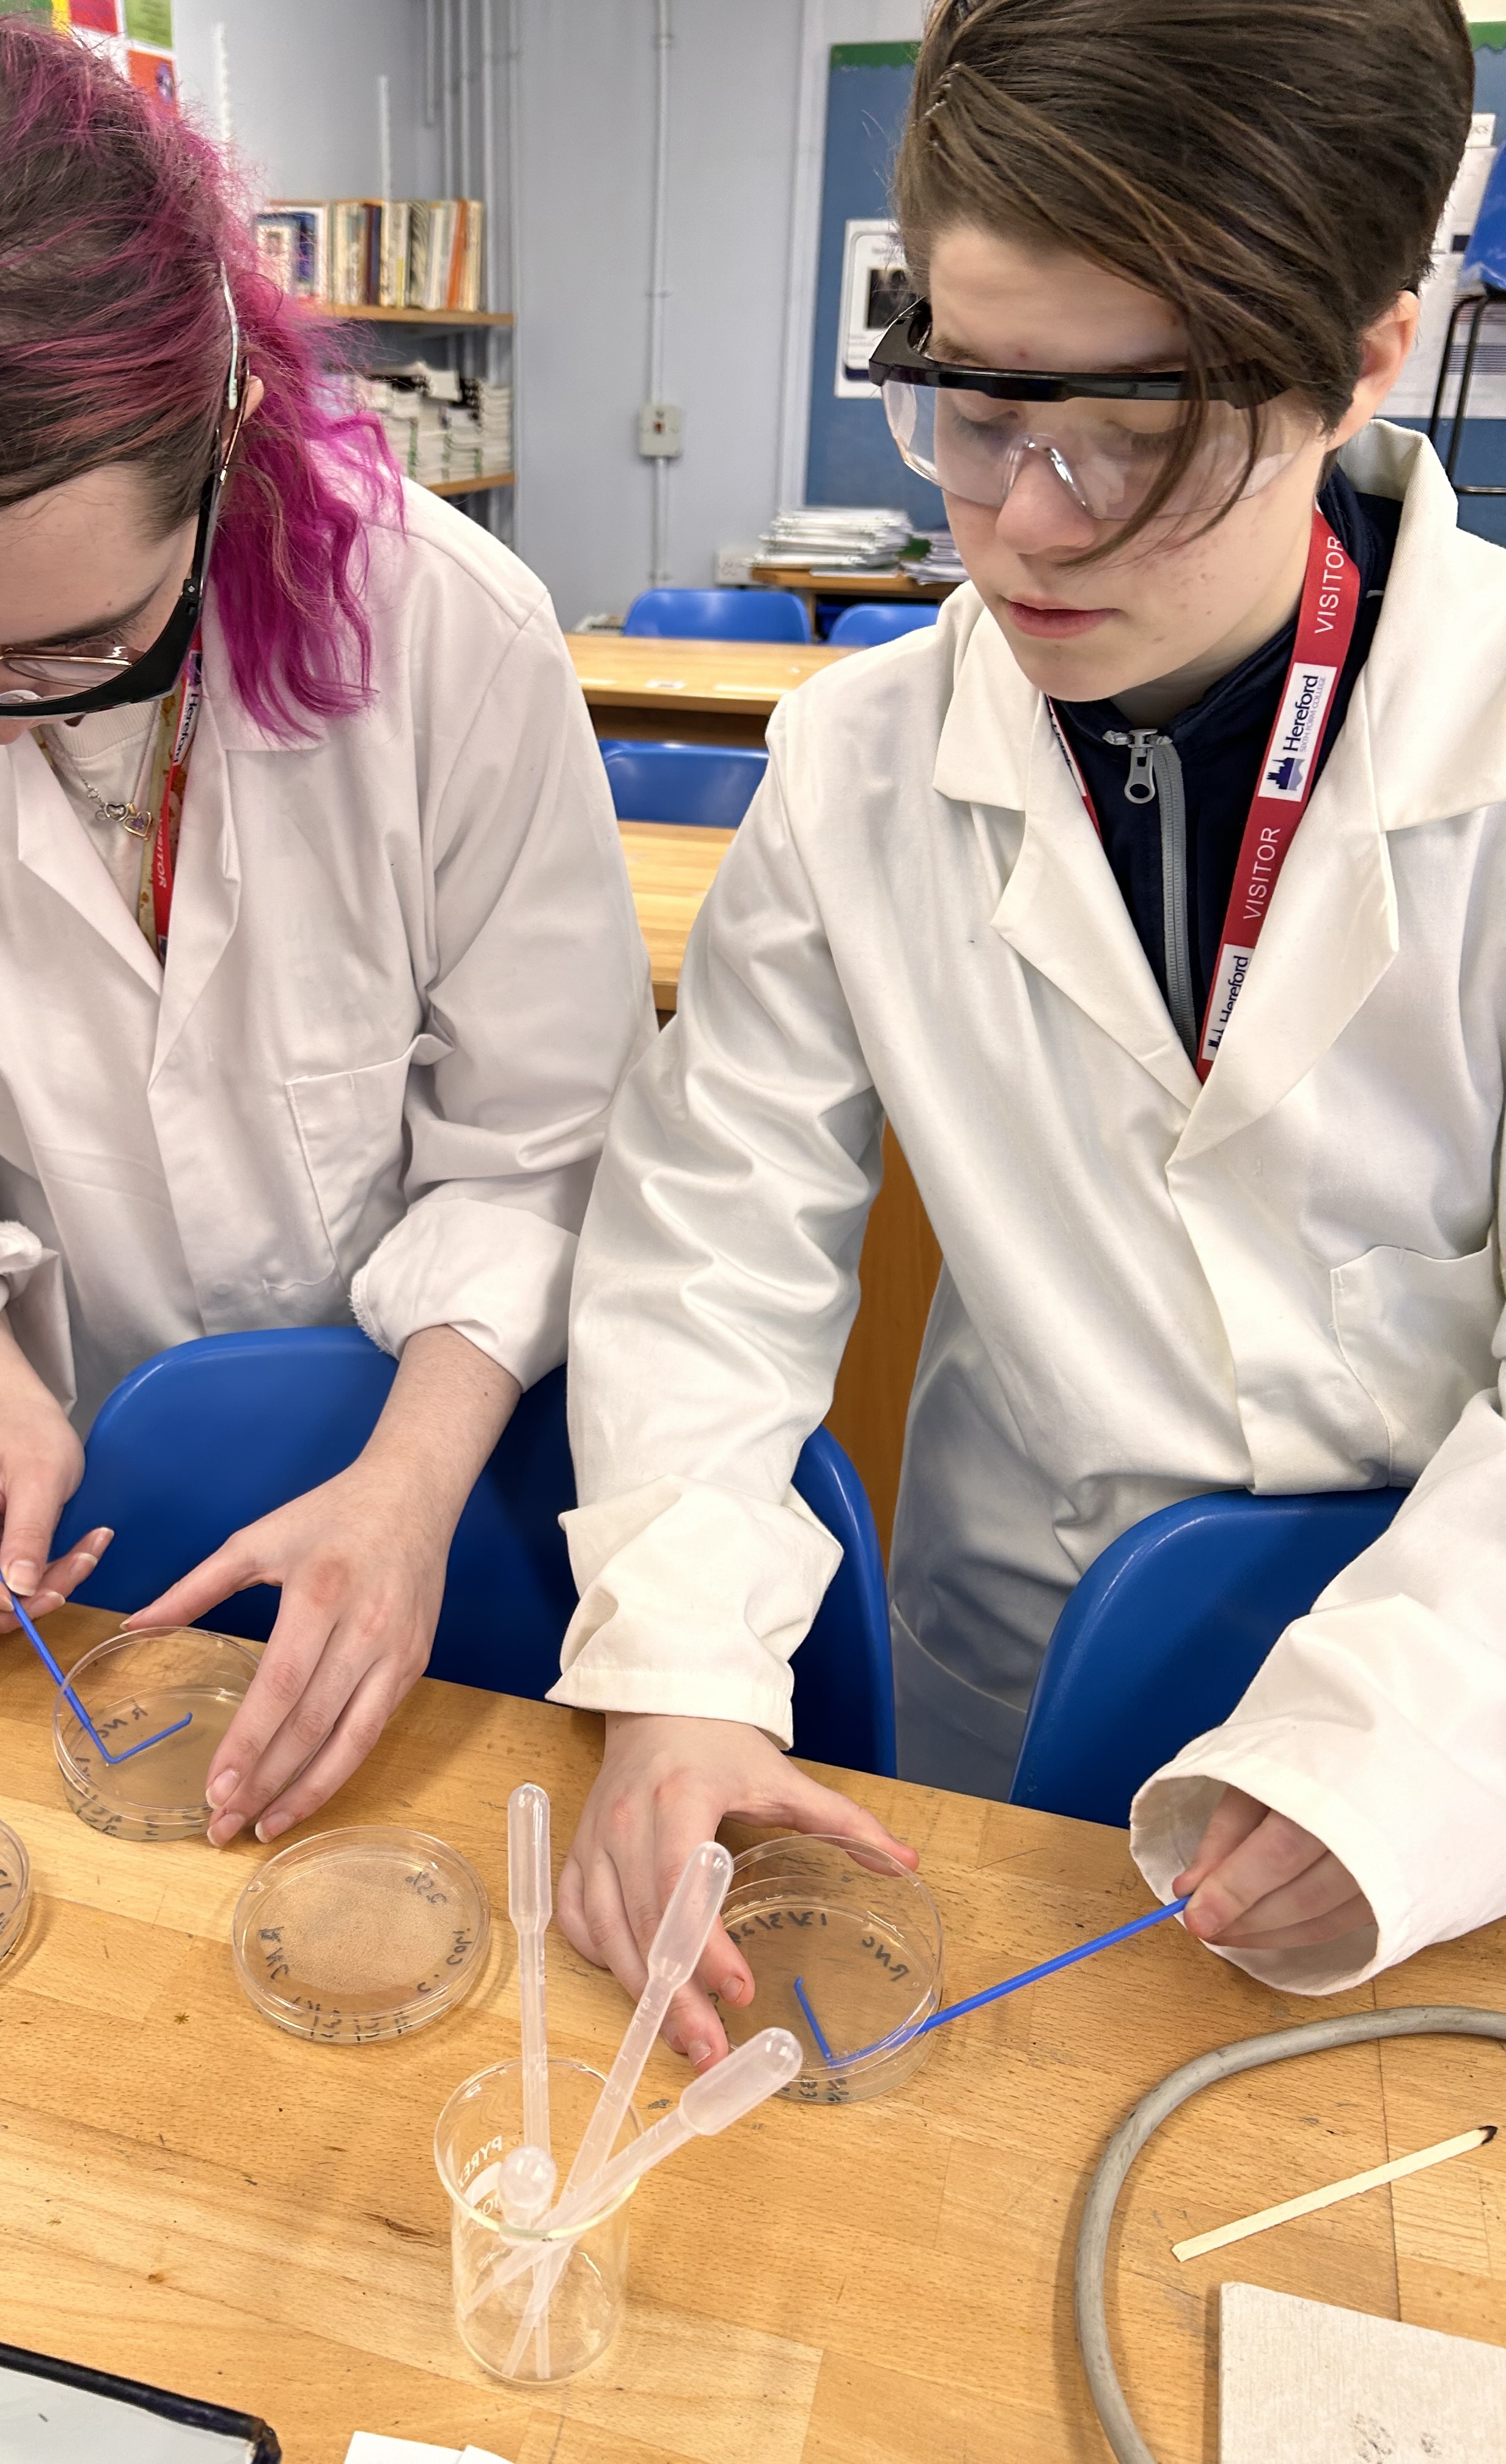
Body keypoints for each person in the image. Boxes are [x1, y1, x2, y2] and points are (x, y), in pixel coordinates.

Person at [554, 0, 1506, 2068]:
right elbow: (713, 1251)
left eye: (1141, 433)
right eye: (976, 412)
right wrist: (684, 1670)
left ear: (1370, 352)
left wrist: (1411, 1762)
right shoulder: (857, 759)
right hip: (1013, 1655)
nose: (1030, 527)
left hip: (1459, 1710)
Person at [0, 19, 650, 1849]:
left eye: (70, 643)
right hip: (122, 1467)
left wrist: (414, 1480)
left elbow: (547, 1150)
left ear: (228, 437)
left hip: (469, 1439)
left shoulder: (451, 636)